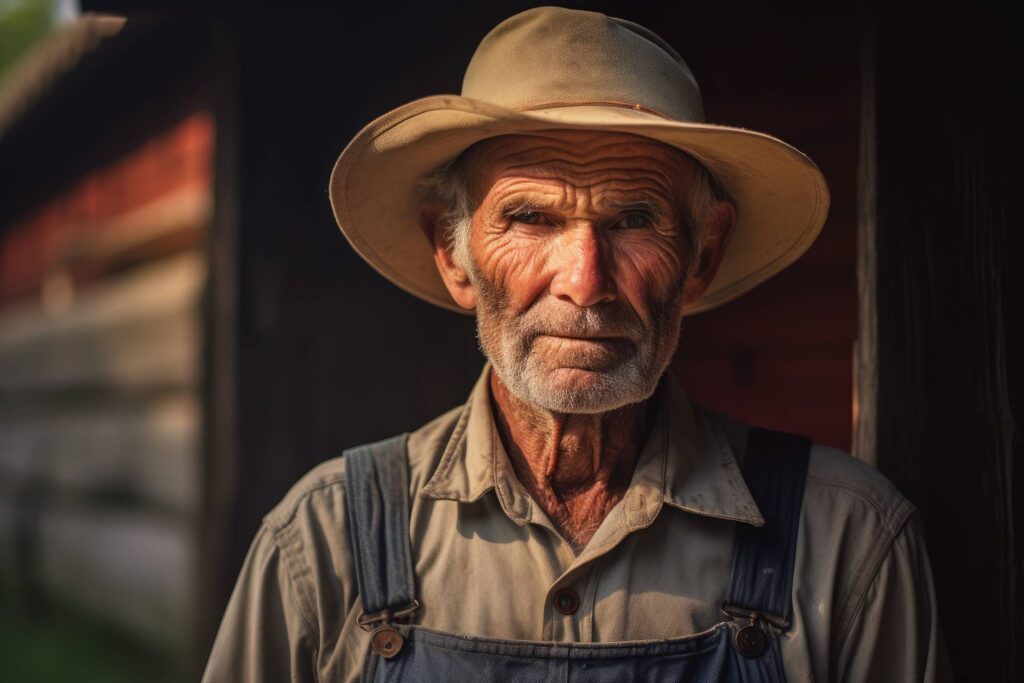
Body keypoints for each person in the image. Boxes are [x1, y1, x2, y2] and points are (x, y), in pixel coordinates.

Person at [203, 6, 946, 681]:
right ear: (451, 253)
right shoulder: (323, 544)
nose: (585, 281)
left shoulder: (848, 544)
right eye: (530, 218)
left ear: (703, 255)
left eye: (632, 220)